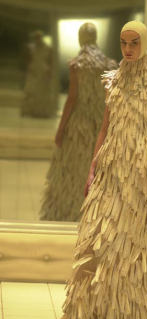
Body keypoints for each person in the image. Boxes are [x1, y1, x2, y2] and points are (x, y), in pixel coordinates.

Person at [54, 20, 147, 319]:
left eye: (134, 43)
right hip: (111, 167)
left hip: (141, 172)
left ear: (143, 43)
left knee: (132, 244)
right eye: (123, 43)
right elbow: (105, 128)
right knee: (95, 237)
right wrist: (92, 166)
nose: (128, 49)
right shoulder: (111, 82)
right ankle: (77, 315)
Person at [40, 23, 117, 221]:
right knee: (98, 167)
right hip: (101, 123)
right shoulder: (108, 64)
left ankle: (72, 211)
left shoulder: (77, 64)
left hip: (79, 126)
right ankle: (98, 214)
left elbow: (72, 99)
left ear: (81, 38)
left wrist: (61, 129)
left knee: (75, 169)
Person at [21, 30, 55, 118]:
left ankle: (42, 112)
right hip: (33, 71)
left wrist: (49, 72)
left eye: (38, 37)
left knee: (43, 93)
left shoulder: (48, 48)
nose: (37, 39)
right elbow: (27, 59)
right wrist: (29, 67)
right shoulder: (31, 48)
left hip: (43, 72)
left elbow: (50, 61)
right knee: (30, 91)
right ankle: (29, 111)